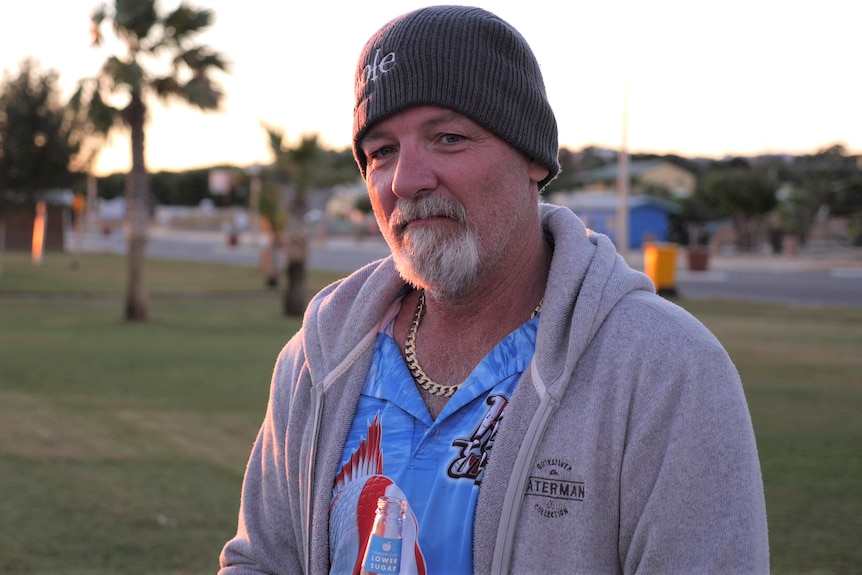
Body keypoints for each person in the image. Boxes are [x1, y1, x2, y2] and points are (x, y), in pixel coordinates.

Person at [219, 6, 769, 574]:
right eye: (381, 151)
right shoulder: (320, 357)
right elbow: (258, 561)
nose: (406, 179)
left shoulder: (665, 370)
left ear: (533, 157)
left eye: (449, 138)